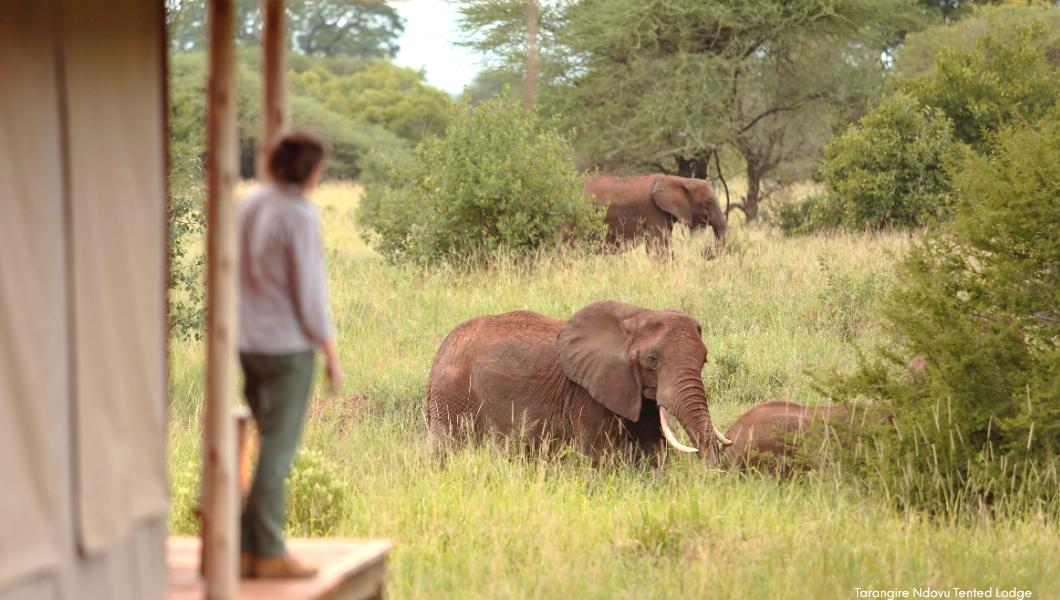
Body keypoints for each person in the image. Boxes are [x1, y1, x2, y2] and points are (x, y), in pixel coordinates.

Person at [237, 129, 342, 578]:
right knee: (277, 453)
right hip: (287, 348)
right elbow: (311, 294)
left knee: (264, 445)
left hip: (248, 344)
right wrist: (330, 352)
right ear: (311, 169)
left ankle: (245, 549)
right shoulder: (299, 214)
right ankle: (269, 551)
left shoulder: (249, 203)